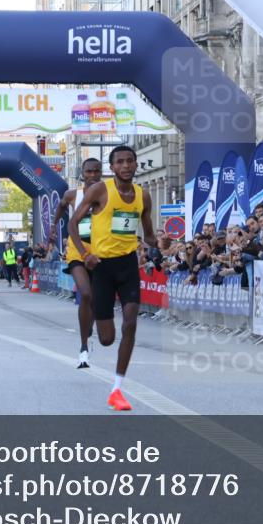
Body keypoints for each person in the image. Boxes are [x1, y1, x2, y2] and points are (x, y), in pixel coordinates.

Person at [68, 146, 157, 411]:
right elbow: (73, 224)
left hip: (128, 265)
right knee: (107, 338)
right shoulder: (100, 191)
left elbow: (149, 233)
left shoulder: (144, 196)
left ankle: (117, 389)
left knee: (131, 321)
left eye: (130, 161)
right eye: (120, 162)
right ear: (113, 167)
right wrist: (85, 254)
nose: (126, 166)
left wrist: (159, 242)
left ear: (136, 165)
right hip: (102, 266)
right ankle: (94, 335)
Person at [52, 157, 103, 368]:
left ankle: (88, 328)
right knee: (86, 293)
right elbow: (62, 207)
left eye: (96, 171)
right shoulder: (73, 195)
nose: (92, 175)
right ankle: (83, 346)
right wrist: (54, 227)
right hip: (77, 250)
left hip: (101, 249)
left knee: (97, 299)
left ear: (101, 173)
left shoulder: (107, 193)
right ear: (83, 174)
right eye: (88, 172)